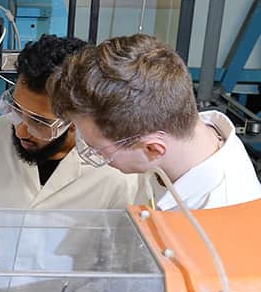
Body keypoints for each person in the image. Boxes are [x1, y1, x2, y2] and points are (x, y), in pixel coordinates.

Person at [0, 34, 137, 258]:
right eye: (16, 110)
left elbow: (116, 259)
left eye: (39, 122)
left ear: (77, 121)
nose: (20, 130)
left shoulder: (114, 173)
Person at [48, 33, 261, 210]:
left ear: (152, 149)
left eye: (99, 152)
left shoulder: (220, 211)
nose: (95, 157)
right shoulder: (182, 141)